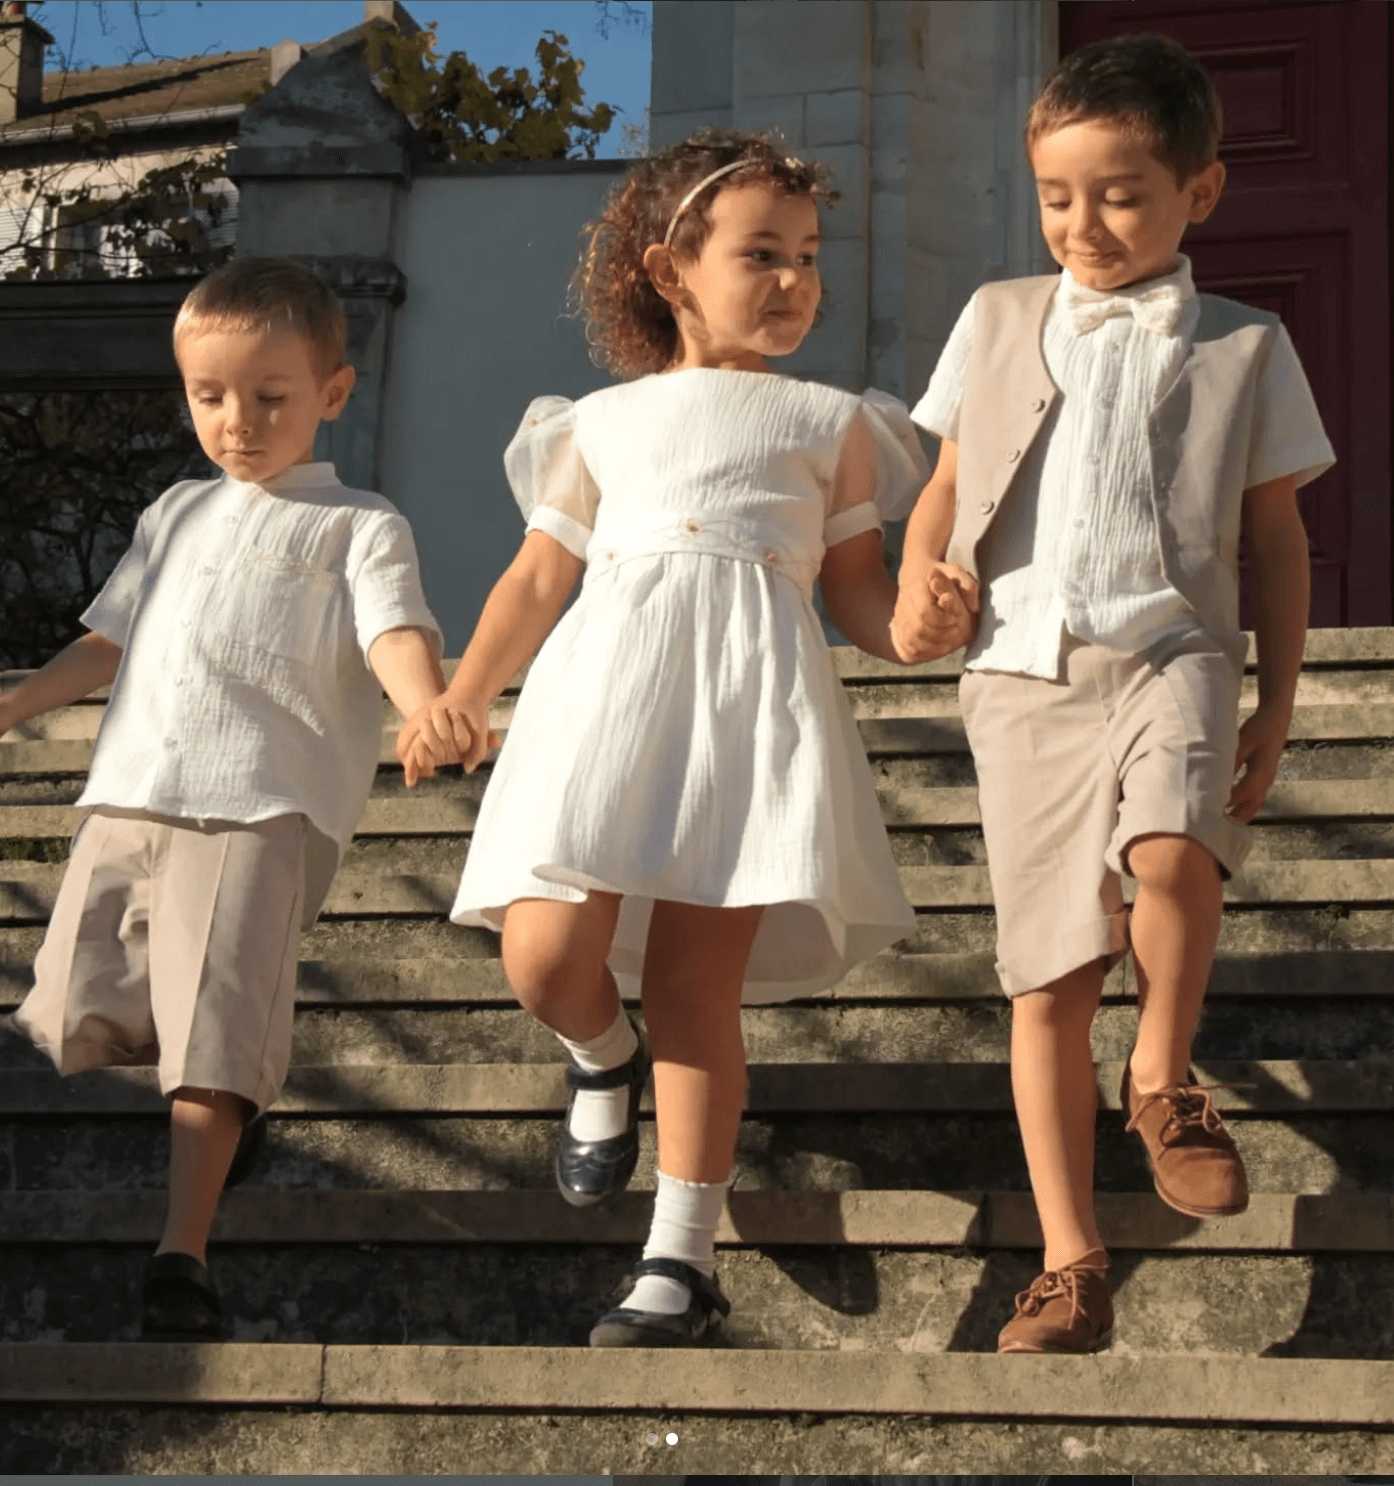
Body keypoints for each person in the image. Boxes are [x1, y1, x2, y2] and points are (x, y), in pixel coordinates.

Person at [398, 129, 926, 1348]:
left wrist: (910, 632)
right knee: (540, 954)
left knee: (699, 986)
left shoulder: (829, 418)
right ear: (667, 268)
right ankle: (597, 1049)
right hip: (604, 698)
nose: (793, 279)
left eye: (807, 256)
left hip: (748, 707)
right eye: (760, 254)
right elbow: (537, 579)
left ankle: (678, 1260)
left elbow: (855, 590)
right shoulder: (596, 423)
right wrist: (464, 693)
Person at [893, 34, 1334, 1354]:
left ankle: (1159, 1075)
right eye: (1056, 196)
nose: (1082, 224)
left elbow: (1272, 543)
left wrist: (1274, 698)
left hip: (1172, 649)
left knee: (1169, 847)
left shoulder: (1247, 345)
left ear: (1199, 191)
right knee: (1045, 981)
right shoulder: (993, 315)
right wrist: (923, 575)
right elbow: (945, 486)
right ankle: (1068, 1259)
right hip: (1023, 671)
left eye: (1121, 194)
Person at [1, 256, 444, 1341]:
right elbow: (107, 641)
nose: (236, 421)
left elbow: (393, 628)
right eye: (209, 396)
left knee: (212, 1028)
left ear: (331, 393)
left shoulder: (356, 523)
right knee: (81, 1004)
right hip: (135, 789)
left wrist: (427, 705)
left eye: (269, 396)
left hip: (260, 803)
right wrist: (13, 704)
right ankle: (232, 1104)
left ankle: (181, 1250)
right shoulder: (173, 511)